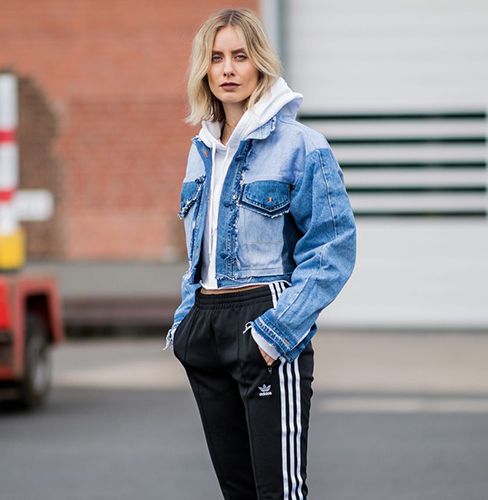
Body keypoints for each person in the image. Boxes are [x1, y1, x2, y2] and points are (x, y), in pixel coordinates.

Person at [166, 8, 356, 499]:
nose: (228, 69)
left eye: (240, 56)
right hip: (206, 326)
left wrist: (275, 335)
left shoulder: (301, 146)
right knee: (239, 493)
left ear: (260, 65)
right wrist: (187, 325)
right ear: (203, 70)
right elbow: (199, 252)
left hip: (266, 324)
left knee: (280, 493)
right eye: (216, 58)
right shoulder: (201, 149)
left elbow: (333, 247)